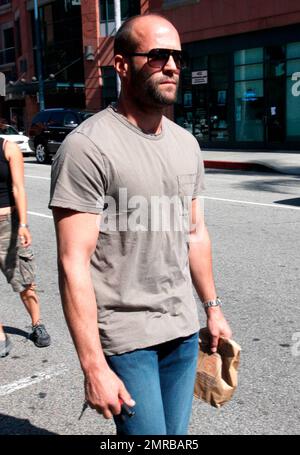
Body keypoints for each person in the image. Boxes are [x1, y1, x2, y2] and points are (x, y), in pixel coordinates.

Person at [49, 13, 232, 435]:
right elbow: (72, 263)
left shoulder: (186, 144)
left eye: (178, 58)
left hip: (182, 330)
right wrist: (93, 366)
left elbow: (194, 233)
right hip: (127, 336)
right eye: (157, 56)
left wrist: (212, 309)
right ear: (122, 66)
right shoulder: (87, 148)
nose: (171, 66)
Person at [0, 138, 51, 357]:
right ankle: (0, 334)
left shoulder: (8, 148)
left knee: (24, 279)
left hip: (8, 224)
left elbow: (18, 187)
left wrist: (22, 224)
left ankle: (37, 323)